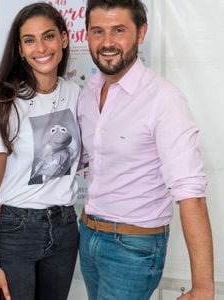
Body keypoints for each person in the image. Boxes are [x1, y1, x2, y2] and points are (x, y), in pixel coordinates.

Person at [77, 0, 214, 299]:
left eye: (119, 30)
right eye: (97, 31)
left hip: (132, 247)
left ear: (141, 33)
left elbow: (190, 192)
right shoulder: (87, 94)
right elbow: (83, 159)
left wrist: (204, 287)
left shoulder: (164, 100)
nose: (107, 42)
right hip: (87, 235)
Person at [0, 3, 81, 300]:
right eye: (30, 40)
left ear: (64, 39)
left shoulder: (77, 94)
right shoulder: (5, 106)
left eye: (48, 36)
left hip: (65, 228)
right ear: (20, 49)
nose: (40, 48)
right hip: (17, 230)